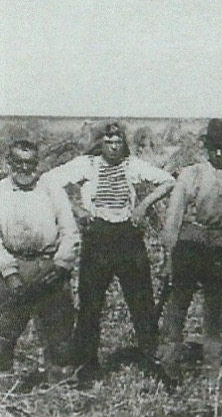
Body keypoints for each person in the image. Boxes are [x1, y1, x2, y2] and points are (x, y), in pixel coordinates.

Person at [43, 121, 175, 380]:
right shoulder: (87, 165)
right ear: (99, 143)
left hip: (128, 237)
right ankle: (86, 366)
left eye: (118, 142)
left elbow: (168, 181)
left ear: (124, 144)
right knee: (90, 304)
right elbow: (49, 181)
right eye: (108, 141)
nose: (114, 147)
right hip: (98, 238)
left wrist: (143, 206)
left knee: (142, 302)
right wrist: (77, 209)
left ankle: (152, 361)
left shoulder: (132, 165)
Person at [157, 120, 222, 378]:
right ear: (207, 148)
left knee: (217, 312)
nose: (220, 154)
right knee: (177, 307)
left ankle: (212, 369)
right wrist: (168, 258)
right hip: (190, 246)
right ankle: (168, 365)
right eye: (214, 148)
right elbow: (173, 218)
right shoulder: (192, 173)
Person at [0, 140, 80, 389]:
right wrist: (10, 273)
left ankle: (60, 378)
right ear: (9, 163)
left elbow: (70, 232)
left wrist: (60, 266)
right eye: (18, 162)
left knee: (59, 326)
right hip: (10, 265)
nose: (24, 168)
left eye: (30, 163)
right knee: (1, 326)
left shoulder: (52, 189)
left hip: (48, 263)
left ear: (37, 164)